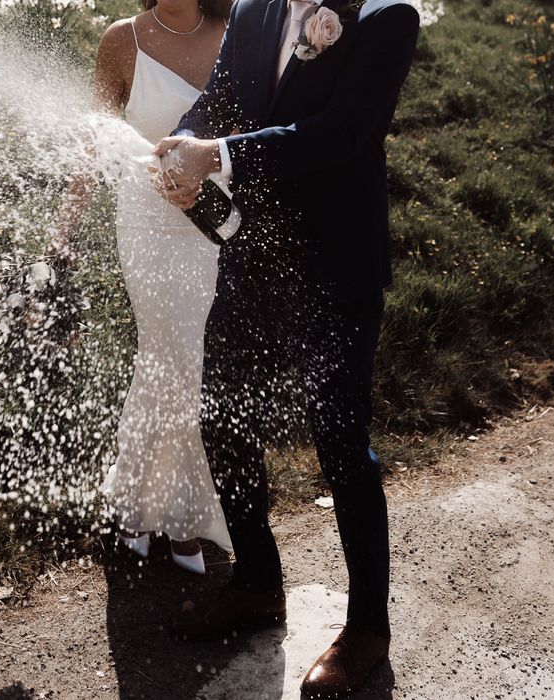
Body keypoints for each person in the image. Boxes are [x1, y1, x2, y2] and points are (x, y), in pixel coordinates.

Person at [152, 0, 419, 694]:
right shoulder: (254, 7)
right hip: (252, 260)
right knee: (224, 420)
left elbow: (345, 132)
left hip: (336, 273)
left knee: (340, 445)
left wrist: (221, 155)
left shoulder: (385, 16)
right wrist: (183, 146)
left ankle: (366, 631)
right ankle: (259, 583)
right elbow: (219, 100)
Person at [49, 0, 234, 575]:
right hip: (148, 227)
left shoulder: (237, 29)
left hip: (216, 225)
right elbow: (93, 137)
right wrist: (64, 231)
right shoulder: (121, 39)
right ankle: (181, 523)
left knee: (183, 366)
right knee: (174, 357)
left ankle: (135, 508)